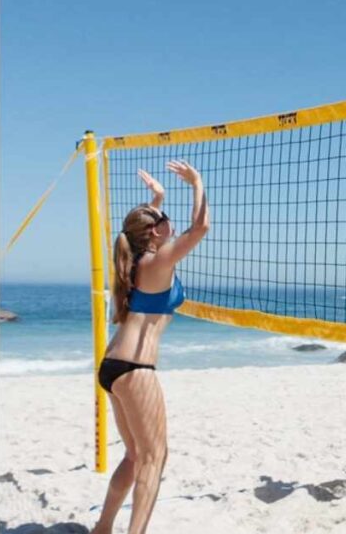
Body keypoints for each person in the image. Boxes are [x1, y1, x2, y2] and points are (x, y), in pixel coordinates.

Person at [91, 161, 209, 534]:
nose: (169, 222)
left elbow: (145, 228)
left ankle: (103, 528)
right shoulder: (158, 261)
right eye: (163, 218)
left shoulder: (133, 262)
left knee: (135, 455)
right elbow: (201, 227)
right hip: (136, 369)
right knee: (155, 458)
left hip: (113, 366)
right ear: (155, 232)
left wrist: (157, 198)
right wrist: (197, 183)